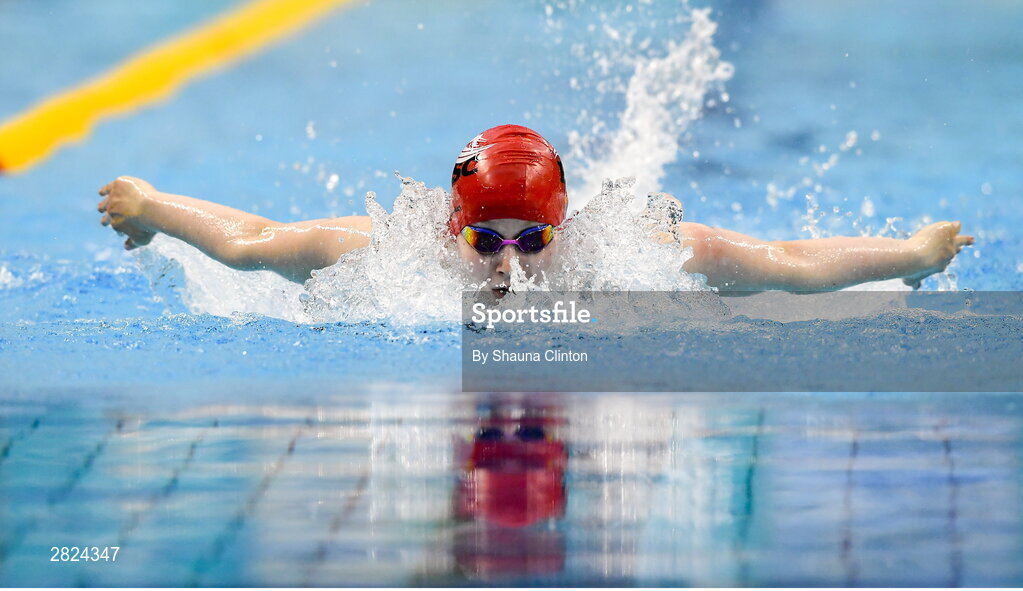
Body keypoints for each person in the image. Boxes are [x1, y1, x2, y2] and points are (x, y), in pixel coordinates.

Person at [96, 124, 973, 295]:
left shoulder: (625, 253)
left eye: (531, 239)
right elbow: (251, 243)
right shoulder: (396, 255)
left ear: (566, 226)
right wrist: (153, 204)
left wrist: (911, 254)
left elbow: (785, 263)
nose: (508, 262)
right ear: (451, 227)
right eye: (485, 237)